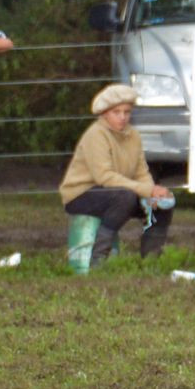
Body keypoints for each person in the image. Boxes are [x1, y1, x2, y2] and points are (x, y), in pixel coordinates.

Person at [59, 84, 173, 265]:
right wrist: (146, 190)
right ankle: (98, 257)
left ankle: (151, 260)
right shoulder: (96, 135)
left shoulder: (133, 135)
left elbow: (141, 172)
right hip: (82, 194)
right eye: (116, 112)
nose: (122, 117)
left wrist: (152, 193)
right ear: (104, 113)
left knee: (163, 203)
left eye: (127, 112)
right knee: (124, 198)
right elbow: (104, 177)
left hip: (116, 191)